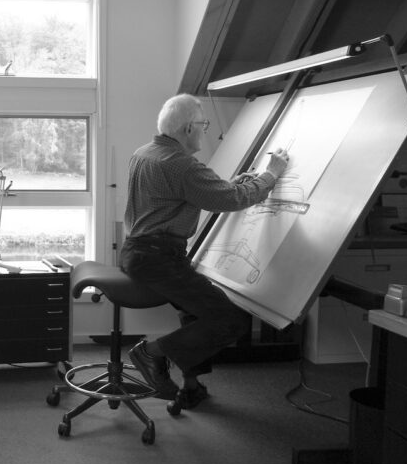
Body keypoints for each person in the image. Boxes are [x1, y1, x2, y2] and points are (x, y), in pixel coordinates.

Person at [121, 93, 289, 409]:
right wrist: (272, 173)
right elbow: (232, 201)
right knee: (230, 321)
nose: (204, 130)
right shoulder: (182, 165)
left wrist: (231, 184)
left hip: (138, 254)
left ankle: (191, 386)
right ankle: (150, 353)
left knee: (196, 310)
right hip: (159, 258)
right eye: (203, 125)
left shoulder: (144, 154)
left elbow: (194, 194)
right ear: (187, 129)